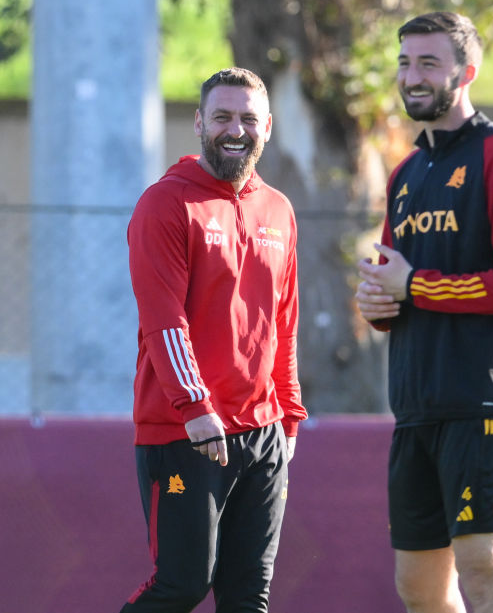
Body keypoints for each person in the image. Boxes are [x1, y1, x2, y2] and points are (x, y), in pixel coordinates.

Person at [356, 11, 493, 613]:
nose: (412, 76)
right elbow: (391, 285)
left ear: (467, 71)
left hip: (482, 405)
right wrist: (376, 304)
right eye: (405, 63)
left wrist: (414, 286)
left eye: (429, 62)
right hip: (414, 409)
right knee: (420, 590)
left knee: (486, 572)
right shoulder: (404, 174)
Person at [120, 67, 307, 612]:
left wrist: (289, 416)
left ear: (267, 127)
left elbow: (284, 322)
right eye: (222, 116)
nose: (235, 129)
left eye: (249, 118)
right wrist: (196, 407)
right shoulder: (166, 203)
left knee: (249, 596)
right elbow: (163, 319)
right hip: (186, 430)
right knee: (182, 585)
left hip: (264, 432)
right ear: (199, 121)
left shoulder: (279, 210)